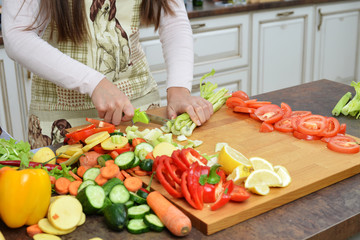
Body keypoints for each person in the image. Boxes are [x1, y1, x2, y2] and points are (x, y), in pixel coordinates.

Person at [2, 0, 213, 148]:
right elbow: (17, 36)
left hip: (141, 114)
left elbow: (173, 18)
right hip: (63, 123)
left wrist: (179, 88)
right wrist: (94, 83)